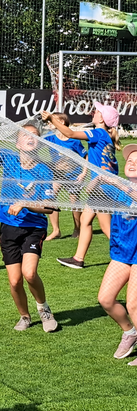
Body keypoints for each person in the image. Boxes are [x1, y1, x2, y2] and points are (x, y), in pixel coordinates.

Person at [0, 99, 58, 332]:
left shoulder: (44, 170)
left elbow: (49, 207)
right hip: (9, 227)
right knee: (14, 280)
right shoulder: (9, 160)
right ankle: (24, 316)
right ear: (17, 142)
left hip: (33, 228)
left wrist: (25, 204)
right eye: (25, 135)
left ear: (39, 142)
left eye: (34, 136)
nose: (30, 138)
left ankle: (44, 309)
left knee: (29, 274)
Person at [42, 102, 121, 269]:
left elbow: (69, 133)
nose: (94, 113)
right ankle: (78, 258)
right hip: (102, 186)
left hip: (103, 187)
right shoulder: (105, 134)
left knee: (107, 228)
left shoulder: (99, 132)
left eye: (97, 112)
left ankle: (127, 256)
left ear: (102, 118)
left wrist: (51, 118)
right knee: (85, 220)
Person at [94, 144, 137, 364]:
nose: (132, 163)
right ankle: (129, 332)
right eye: (130, 160)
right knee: (106, 299)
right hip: (122, 253)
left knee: (133, 304)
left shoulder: (123, 187)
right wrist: (99, 177)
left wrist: (114, 181)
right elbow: (93, 193)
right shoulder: (118, 188)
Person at [42, 112, 87, 240]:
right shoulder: (50, 137)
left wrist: (83, 173)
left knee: (74, 202)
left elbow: (85, 156)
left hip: (74, 175)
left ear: (61, 123)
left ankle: (77, 228)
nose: (50, 123)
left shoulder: (74, 140)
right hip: (57, 175)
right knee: (50, 198)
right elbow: (37, 143)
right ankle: (56, 230)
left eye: (52, 120)